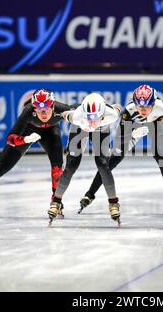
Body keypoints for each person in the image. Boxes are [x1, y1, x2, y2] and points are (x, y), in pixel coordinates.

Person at [0, 88, 75, 215]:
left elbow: (81, 109)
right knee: (0, 168)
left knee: (57, 167)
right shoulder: (28, 111)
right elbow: (11, 139)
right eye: (39, 109)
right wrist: (25, 139)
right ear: (34, 108)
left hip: (51, 131)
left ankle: (56, 202)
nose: (43, 113)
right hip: (29, 130)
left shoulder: (61, 109)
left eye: (46, 109)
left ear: (53, 105)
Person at [78, 84, 163, 214]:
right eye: (140, 106)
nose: (143, 110)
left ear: (154, 104)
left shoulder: (161, 106)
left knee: (160, 157)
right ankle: (90, 194)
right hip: (133, 125)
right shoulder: (128, 111)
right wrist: (132, 134)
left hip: (155, 122)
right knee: (112, 161)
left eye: (147, 106)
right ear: (135, 104)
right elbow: (122, 135)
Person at [48, 93, 121, 226]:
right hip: (79, 128)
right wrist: (66, 115)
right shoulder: (77, 116)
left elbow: (116, 110)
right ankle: (56, 201)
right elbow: (64, 116)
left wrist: (116, 108)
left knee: (103, 164)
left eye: (95, 118)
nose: (92, 122)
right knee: (71, 165)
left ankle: (113, 202)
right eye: (89, 118)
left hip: (102, 130)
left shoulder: (111, 115)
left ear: (102, 114)